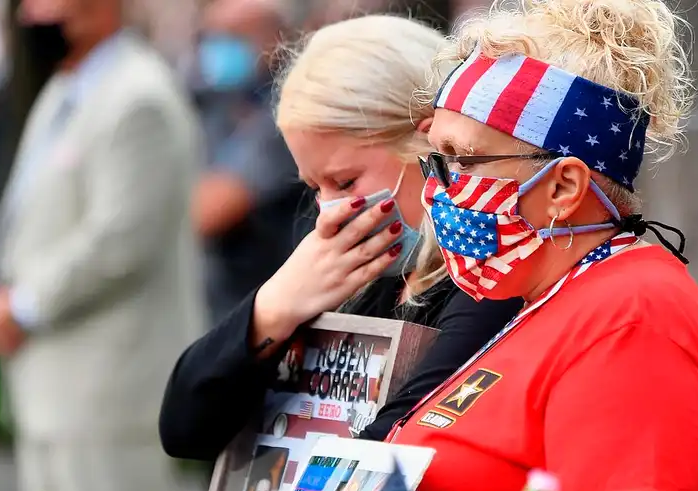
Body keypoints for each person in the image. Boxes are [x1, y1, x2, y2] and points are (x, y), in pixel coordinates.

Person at [387, 1, 698, 491]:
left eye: (465, 160)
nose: (437, 188)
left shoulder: (633, 318)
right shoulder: (554, 298)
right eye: (438, 157)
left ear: (562, 185)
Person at [158, 15, 524, 460]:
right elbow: (185, 429)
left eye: (346, 182)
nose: (329, 210)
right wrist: (272, 308)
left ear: (430, 144)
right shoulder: (363, 279)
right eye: (315, 189)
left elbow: (395, 443)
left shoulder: (493, 273)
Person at [0, 0, 202, 491]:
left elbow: (121, 239)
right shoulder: (68, 87)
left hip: (107, 393)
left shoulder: (139, 98)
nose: (30, 14)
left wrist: (22, 305)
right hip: (54, 385)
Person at [190, 0, 310, 322]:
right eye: (210, 36)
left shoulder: (288, 110)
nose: (216, 48)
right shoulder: (219, 103)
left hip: (267, 299)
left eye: (233, 35)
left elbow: (211, 210)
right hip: (219, 299)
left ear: (274, 37)